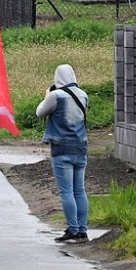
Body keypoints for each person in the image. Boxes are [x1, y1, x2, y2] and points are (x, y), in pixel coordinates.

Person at [36, 64, 90, 245]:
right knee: (79, 190)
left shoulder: (56, 96)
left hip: (61, 148)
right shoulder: (83, 95)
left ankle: (72, 229)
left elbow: (39, 113)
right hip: (81, 147)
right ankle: (82, 230)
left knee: (66, 191)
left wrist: (46, 96)